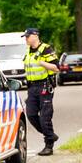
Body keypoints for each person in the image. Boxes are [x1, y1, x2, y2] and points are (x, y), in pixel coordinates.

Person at [22, 28, 60, 156]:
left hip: (44, 86)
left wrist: (43, 63)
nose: (26, 39)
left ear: (35, 36)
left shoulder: (46, 49)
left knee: (45, 117)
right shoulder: (28, 51)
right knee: (31, 114)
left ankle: (49, 145)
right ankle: (50, 135)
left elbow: (56, 68)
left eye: (27, 36)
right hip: (32, 87)